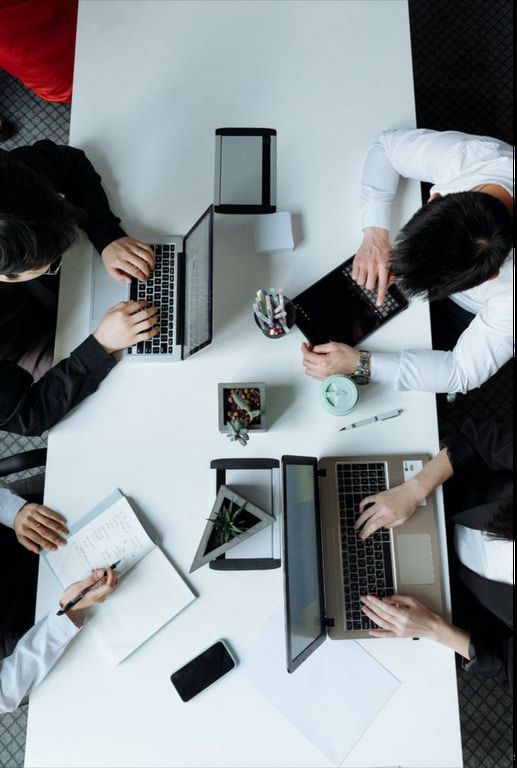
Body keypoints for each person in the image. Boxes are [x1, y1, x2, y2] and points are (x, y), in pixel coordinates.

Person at [302, 128, 513, 394]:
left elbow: (460, 372)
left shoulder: (510, 298)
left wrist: (361, 364)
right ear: (435, 198)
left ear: (490, 276)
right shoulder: (471, 158)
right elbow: (385, 149)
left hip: (469, 315)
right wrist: (375, 236)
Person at [0, 139, 160, 435]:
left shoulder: (11, 183)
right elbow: (29, 414)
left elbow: (69, 163)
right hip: (16, 343)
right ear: (7, 276)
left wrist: (107, 235)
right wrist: (101, 346)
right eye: (52, 263)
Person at [354, 418, 513, 694]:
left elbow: (505, 665)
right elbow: (482, 438)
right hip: (439, 496)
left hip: (448, 604)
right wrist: (414, 489)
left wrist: (431, 627)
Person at [0, 482, 118, 713]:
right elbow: (4, 692)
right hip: (35, 603)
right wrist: (68, 611)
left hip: (34, 524)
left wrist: (13, 510)